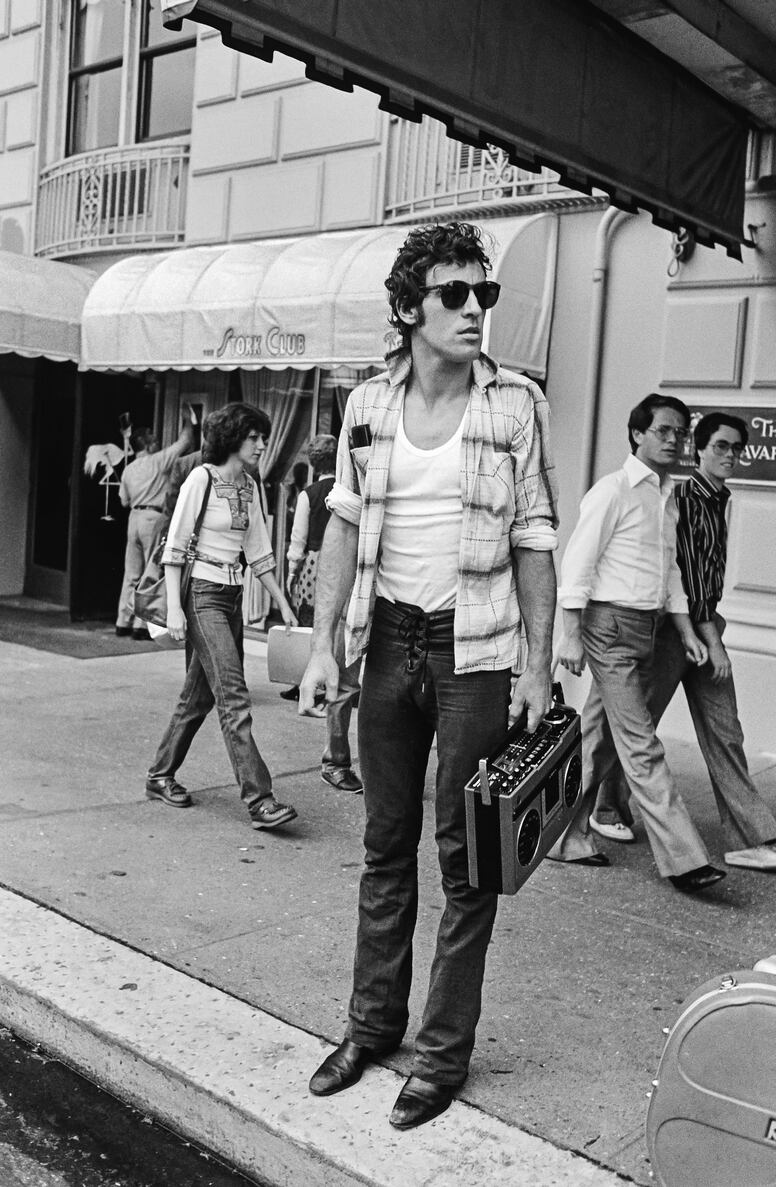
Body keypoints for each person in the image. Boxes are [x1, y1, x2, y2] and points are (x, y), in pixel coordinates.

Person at [299, 222, 559, 1128]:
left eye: (482, 295)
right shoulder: (367, 404)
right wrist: (326, 639)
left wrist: (538, 664)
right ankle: (372, 1027)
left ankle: (442, 1055)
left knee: (466, 858)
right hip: (388, 645)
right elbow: (340, 521)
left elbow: (535, 538)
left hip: (474, 651)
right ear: (409, 307)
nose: (475, 311)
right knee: (382, 845)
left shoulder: (516, 405)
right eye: (455, 295)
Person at [549, 393, 726, 894]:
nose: (675, 440)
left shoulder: (666, 496)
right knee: (640, 744)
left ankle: (564, 834)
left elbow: (670, 573)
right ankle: (685, 860)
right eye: (664, 431)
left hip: (646, 629)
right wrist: (572, 633)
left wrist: (688, 632)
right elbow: (577, 564)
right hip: (609, 629)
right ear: (637, 435)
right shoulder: (613, 491)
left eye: (680, 433)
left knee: (597, 740)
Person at [590, 412, 776, 871]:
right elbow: (685, 577)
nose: (730, 455)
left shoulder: (718, 499)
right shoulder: (684, 497)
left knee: (724, 732)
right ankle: (605, 808)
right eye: (720, 447)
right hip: (678, 629)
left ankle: (747, 837)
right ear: (700, 451)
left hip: (702, 625)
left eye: (736, 448)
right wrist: (707, 637)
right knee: (635, 728)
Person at [146, 403, 299, 831]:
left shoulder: (250, 485)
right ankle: (260, 799)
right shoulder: (202, 478)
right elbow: (175, 546)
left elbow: (259, 549)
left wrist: (281, 602)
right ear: (234, 437)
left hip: (232, 595)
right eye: (256, 437)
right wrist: (176, 609)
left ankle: (160, 774)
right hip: (202, 594)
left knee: (198, 696)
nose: (263, 444)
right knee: (234, 695)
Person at [285, 434, 363, 793]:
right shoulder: (352, 489)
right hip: (353, 573)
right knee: (343, 663)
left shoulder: (309, 495)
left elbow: (298, 539)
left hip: (320, 568)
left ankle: (335, 756)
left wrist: (292, 570)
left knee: (326, 640)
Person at [116, 408, 194, 639]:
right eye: (153, 438)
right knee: (149, 572)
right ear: (147, 444)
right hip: (153, 517)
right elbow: (185, 441)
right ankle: (141, 625)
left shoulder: (129, 469)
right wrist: (188, 420)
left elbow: (123, 500)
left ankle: (122, 621)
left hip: (134, 518)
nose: (157, 442)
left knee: (130, 573)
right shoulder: (159, 461)